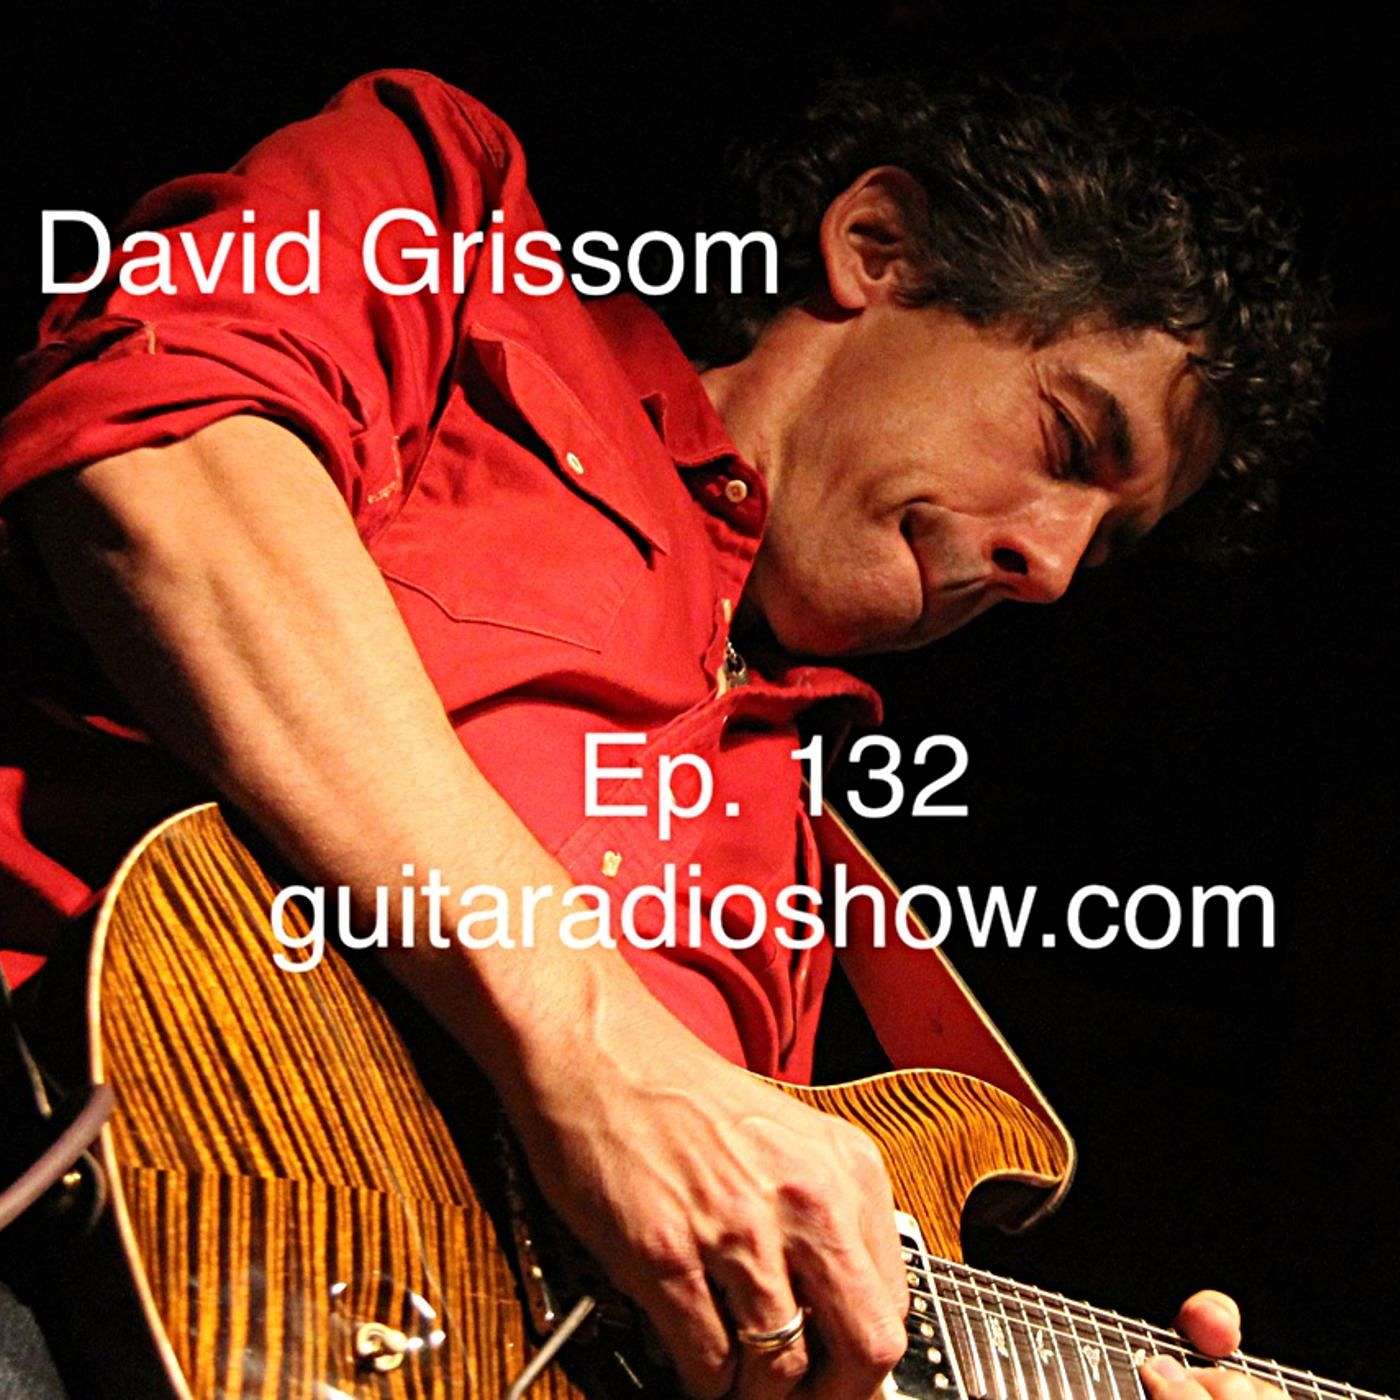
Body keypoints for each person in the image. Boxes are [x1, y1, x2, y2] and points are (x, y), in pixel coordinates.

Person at [0, 68, 1326, 1399]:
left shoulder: (804, 874)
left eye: (1107, 547)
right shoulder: (454, 219)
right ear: (880, 248)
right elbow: (159, 461)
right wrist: (592, 1044)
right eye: (1069, 440)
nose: (1053, 563)